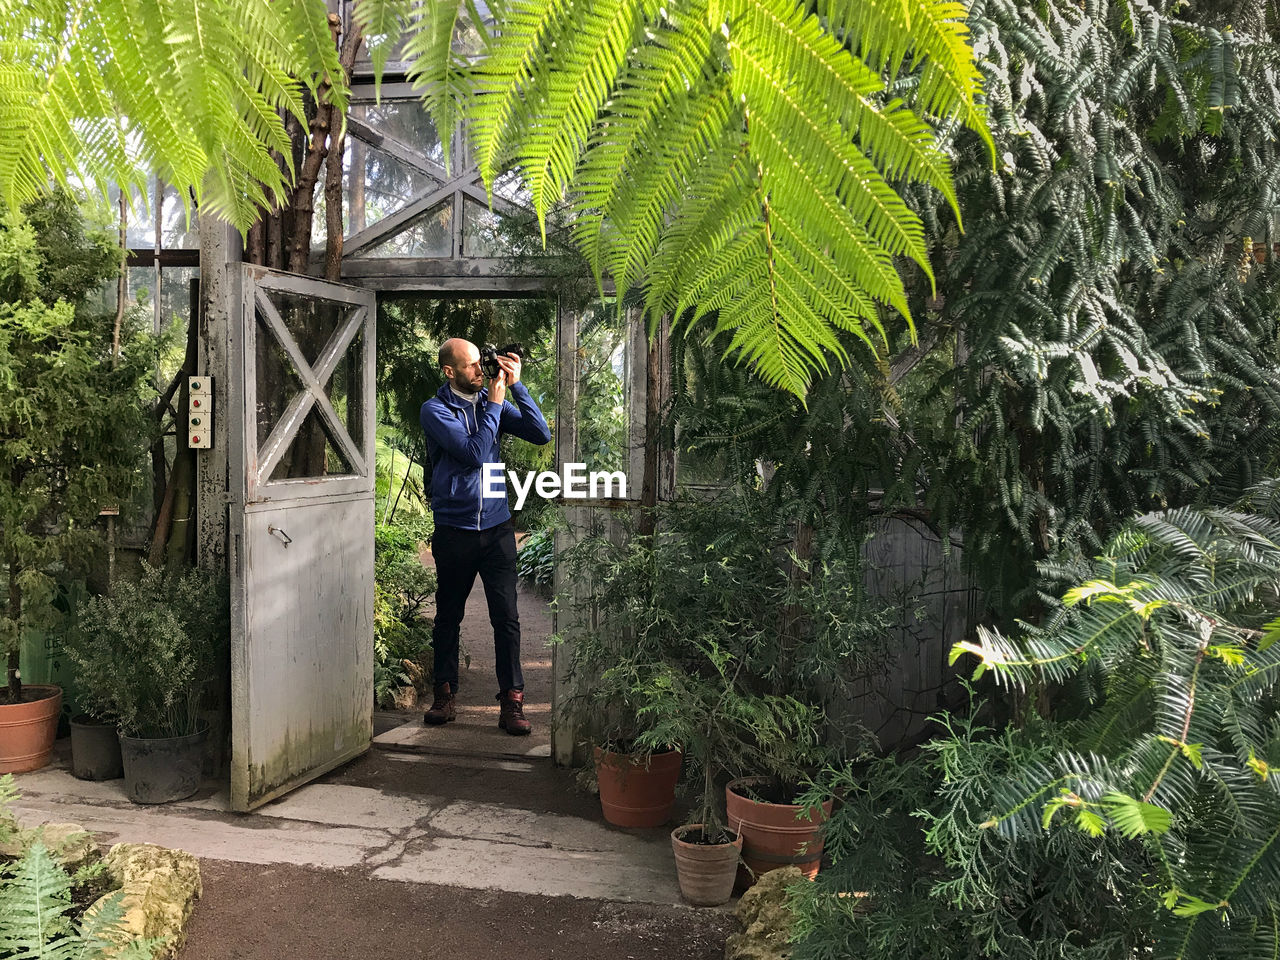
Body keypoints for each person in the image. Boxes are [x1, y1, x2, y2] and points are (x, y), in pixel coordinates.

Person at [418, 338, 551, 735]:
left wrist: (518, 386)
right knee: (448, 618)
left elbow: (540, 433)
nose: (482, 370)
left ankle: (512, 702)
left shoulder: (489, 402)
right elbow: (474, 453)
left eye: (483, 363)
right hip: (454, 530)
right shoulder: (436, 410)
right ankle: (444, 694)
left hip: (496, 530)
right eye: (474, 365)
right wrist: (494, 403)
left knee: (506, 619)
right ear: (450, 371)